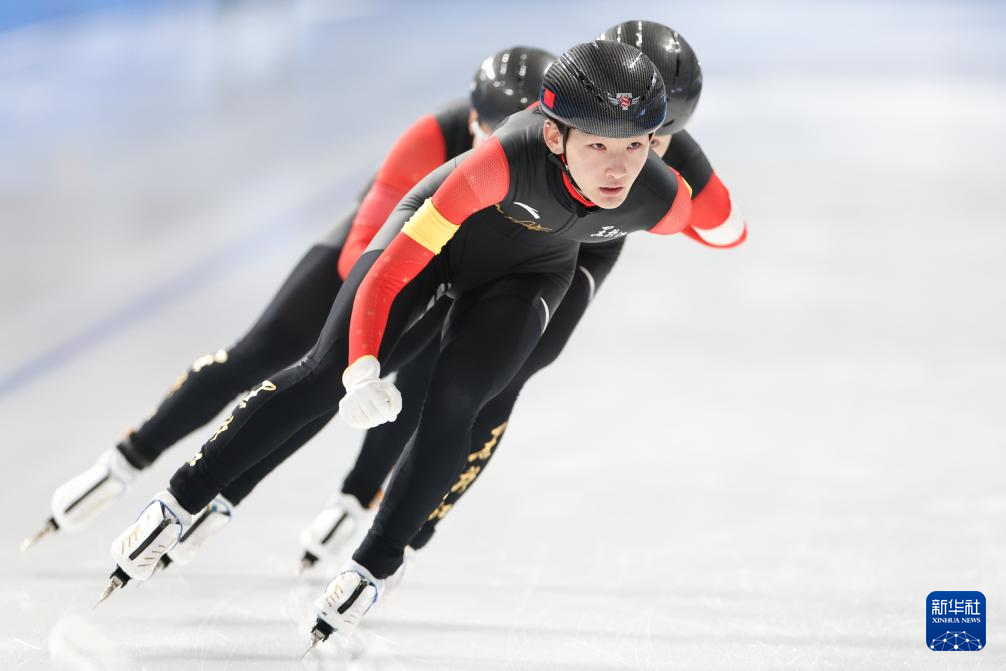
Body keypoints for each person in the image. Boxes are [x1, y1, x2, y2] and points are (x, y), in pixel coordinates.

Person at [22, 46, 556, 555]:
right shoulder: (433, 136)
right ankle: (131, 453)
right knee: (266, 353)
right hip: (378, 256)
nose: (505, 158)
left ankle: (345, 495)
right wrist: (373, 318)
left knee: (381, 381)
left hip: (453, 273)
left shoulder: (554, 166)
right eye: (494, 140)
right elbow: (360, 255)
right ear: (472, 123)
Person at [295, 19, 745, 573]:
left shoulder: (665, 158)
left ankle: (409, 526)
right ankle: (360, 491)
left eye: (652, 138)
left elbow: (726, 229)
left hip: (582, 249)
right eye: (612, 132)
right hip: (518, 226)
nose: (637, 150)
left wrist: (682, 183)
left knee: (497, 380)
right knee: (436, 356)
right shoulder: (572, 118)